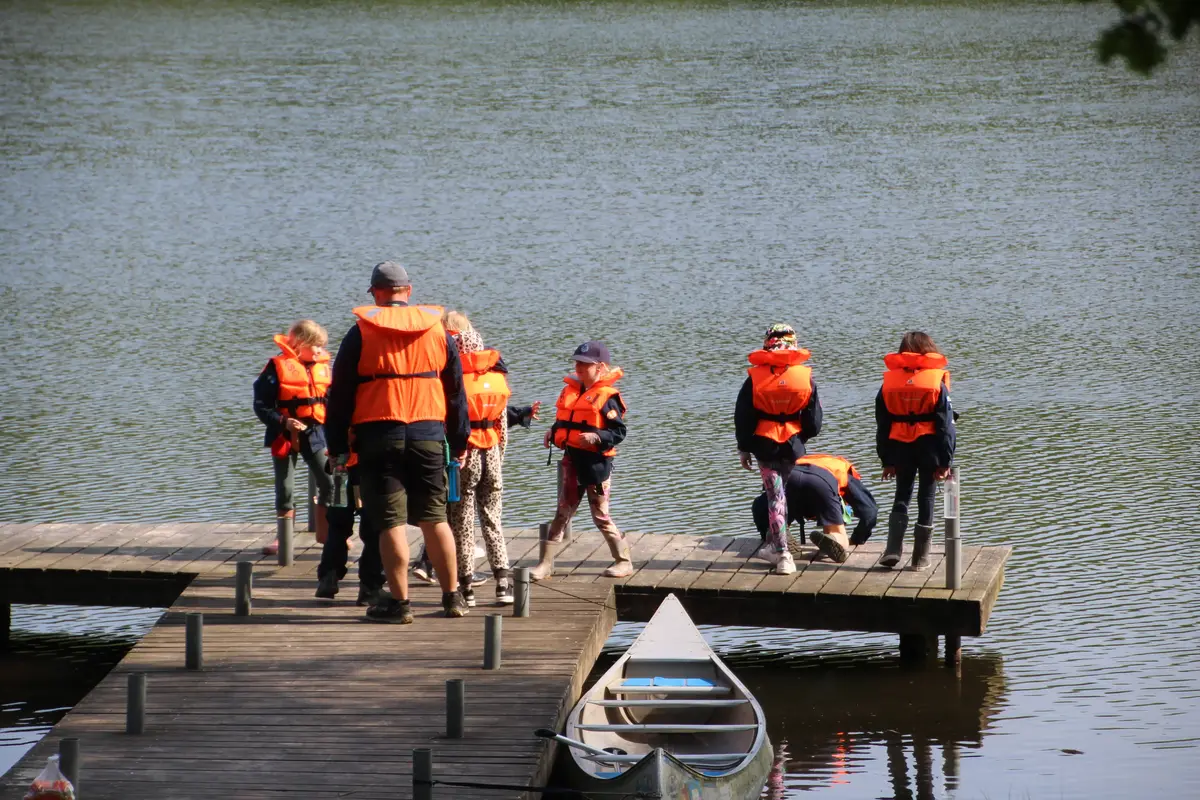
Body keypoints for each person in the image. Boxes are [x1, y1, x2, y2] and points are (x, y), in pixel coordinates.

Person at [324, 261, 471, 622]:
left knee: (389, 523)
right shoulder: (439, 332)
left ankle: (401, 604)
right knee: (435, 518)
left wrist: (337, 447)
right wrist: (460, 442)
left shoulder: (360, 332)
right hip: (428, 435)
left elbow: (339, 395)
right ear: (409, 290)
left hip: (380, 436)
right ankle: (453, 598)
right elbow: (456, 393)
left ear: (375, 292)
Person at [442, 310, 541, 607]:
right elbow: (501, 425)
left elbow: (448, 424)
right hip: (492, 453)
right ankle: (502, 584)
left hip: (465, 455)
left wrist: (451, 458)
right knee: (492, 520)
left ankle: (467, 589)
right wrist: (499, 456)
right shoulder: (495, 374)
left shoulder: (452, 374)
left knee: (461, 522)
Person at [531, 340, 633, 581]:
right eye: (577, 362)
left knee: (600, 515)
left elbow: (619, 433)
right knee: (562, 513)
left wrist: (597, 437)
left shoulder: (608, 397)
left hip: (596, 465)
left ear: (600, 367)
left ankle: (623, 561)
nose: (578, 367)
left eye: (584, 364)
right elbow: (566, 421)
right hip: (571, 460)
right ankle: (545, 564)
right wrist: (552, 431)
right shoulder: (571, 390)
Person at [735, 324, 823, 575]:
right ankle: (775, 544)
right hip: (792, 443)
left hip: (764, 444)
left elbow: (743, 417)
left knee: (775, 496)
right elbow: (814, 422)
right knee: (780, 493)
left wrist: (744, 448)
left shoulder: (755, 378)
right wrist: (800, 435)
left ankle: (782, 553)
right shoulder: (805, 377)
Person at [252, 320, 334, 556]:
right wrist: (283, 421)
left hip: (316, 432)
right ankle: (283, 538)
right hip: (283, 434)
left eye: (321, 346)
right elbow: (261, 406)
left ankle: (327, 533)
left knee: (329, 482)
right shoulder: (275, 369)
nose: (319, 351)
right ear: (299, 344)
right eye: (315, 346)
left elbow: (332, 402)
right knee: (285, 488)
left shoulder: (324, 368)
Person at [875, 331, 956, 570]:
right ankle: (920, 558)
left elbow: (882, 425)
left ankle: (892, 550)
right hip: (930, 447)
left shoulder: (888, 384)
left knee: (902, 495)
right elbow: (945, 426)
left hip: (900, 447)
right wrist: (945, 460)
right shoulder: (936, 383)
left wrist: (886, 460)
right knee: (926, 497)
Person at [750, 453, 878, 564]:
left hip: (789, 477)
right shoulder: (844, 472)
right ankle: (834, 538)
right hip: (821, 482)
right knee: (837, 532)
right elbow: (870, 512)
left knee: (779, 511)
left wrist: (765, 531)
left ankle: (778, 537)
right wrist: (856, 539)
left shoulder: (799, 461)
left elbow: (760, 504)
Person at [314, 448, 388, 606]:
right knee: (373, 528)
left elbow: (333, 428)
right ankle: (369, 587)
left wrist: (334, 455)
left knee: (337, 525)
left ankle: (329, 576)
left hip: (343, 470)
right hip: (368, 471)